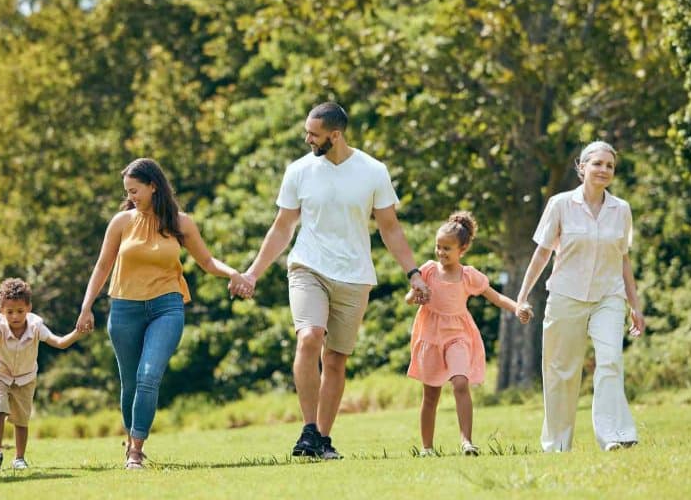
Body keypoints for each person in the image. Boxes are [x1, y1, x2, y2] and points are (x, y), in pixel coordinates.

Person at [229, 102, 431, 460]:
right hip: (308, 266)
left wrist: (412, 272)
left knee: (336, 359)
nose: (307, 139)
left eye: (314, 134)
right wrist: (252, 273)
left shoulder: (373, 171)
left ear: (335, 136)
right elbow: (282, 227)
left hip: (355, 275)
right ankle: (308, 428)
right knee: (309, 337)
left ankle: (322, 439)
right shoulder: (299, 171)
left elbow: (390, 228)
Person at [76, 158, 251, 470]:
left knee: (148, 375)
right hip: (124, 308)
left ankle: (136, 451)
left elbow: (208, 263)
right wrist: (86, 305)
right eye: (127, 192)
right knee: (129, 382)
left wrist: (234, 273)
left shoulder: (181, 224)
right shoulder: (121, 223)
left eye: (136, 190)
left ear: (153, 186)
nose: (131, 197)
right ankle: (131, 440)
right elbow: (102, 266)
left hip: (166, 306)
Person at [514, 140, 645, 452]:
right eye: (597, 163)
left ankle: (614, 436)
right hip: (565, 295)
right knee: (561, 370)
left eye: (609, 166)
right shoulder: (560, 204)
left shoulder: (621, 210)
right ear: (582, 167)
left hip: (608, 297)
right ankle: (557, 444)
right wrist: (522, 296)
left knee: (611, 360)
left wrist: (635, 306)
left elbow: (623, 260)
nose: (603, 170)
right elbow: (542, 253)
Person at [405, 212, 526, 457]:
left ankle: (466, 442)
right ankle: (427, 448)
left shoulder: (468, 275)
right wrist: (415, 295)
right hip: (431, 335)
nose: (441, 252)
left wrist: (517, 307)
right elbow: (410, 297)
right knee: (430, 394)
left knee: (460, 382)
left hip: (458, 335)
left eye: (447, 248)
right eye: (438, 247)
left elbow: (495, 296)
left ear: (463, 248)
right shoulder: (427, 270)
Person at [0, 278, 84, 471]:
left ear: (28, 307)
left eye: (20, 311)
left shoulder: (36, 326)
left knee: (21, 419)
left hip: (25, 378)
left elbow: (59, 342)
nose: (15, 316)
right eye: (9, 312)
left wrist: (77, 333)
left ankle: (19, 458)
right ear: (1, 310)